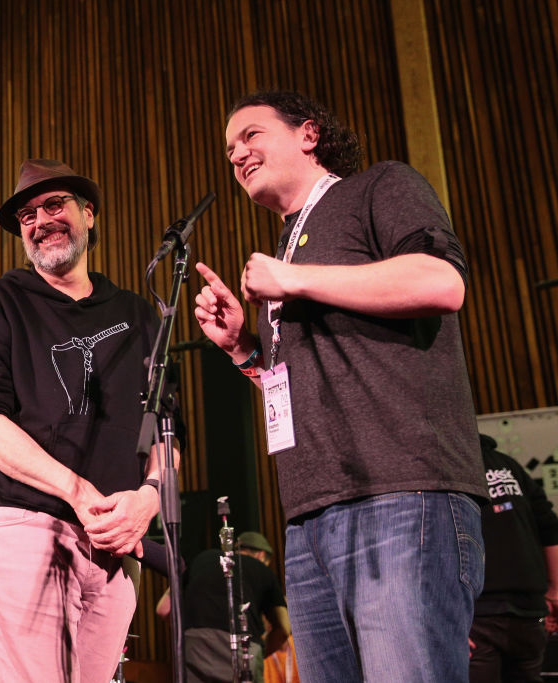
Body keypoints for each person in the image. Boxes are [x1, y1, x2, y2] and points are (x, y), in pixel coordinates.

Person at [192, 90, 487, 681]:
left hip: (403, 496)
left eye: (251, 135)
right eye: (229, 149)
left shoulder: (377, 188)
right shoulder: (288, 247)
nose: (237, 154)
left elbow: (442, 282)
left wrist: (292, 278)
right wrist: (241, 348)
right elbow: (292, 391)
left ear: (308, 134)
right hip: (308, 522)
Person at [0, 159, 175, 683]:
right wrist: (76, 491)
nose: (41, 220)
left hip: (115, 539)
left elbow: (168, 425)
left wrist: (148, 499)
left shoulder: (140, 315)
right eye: (28, 214)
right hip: (26, 522)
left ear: (88, 214)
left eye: (55, 205)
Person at [471, 433, 558, 682]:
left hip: (479, 615)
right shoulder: (507, 465)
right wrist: (554, 592)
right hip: (527, 612)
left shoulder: (451, 467)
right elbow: (549, 527)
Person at [156, 531, 291, 682]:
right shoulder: (263, 570)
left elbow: (163, 609)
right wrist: (263, 650)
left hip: (195, 646)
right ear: (261, 555)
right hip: (242, 648)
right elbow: (284, 627)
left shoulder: (202, 559)